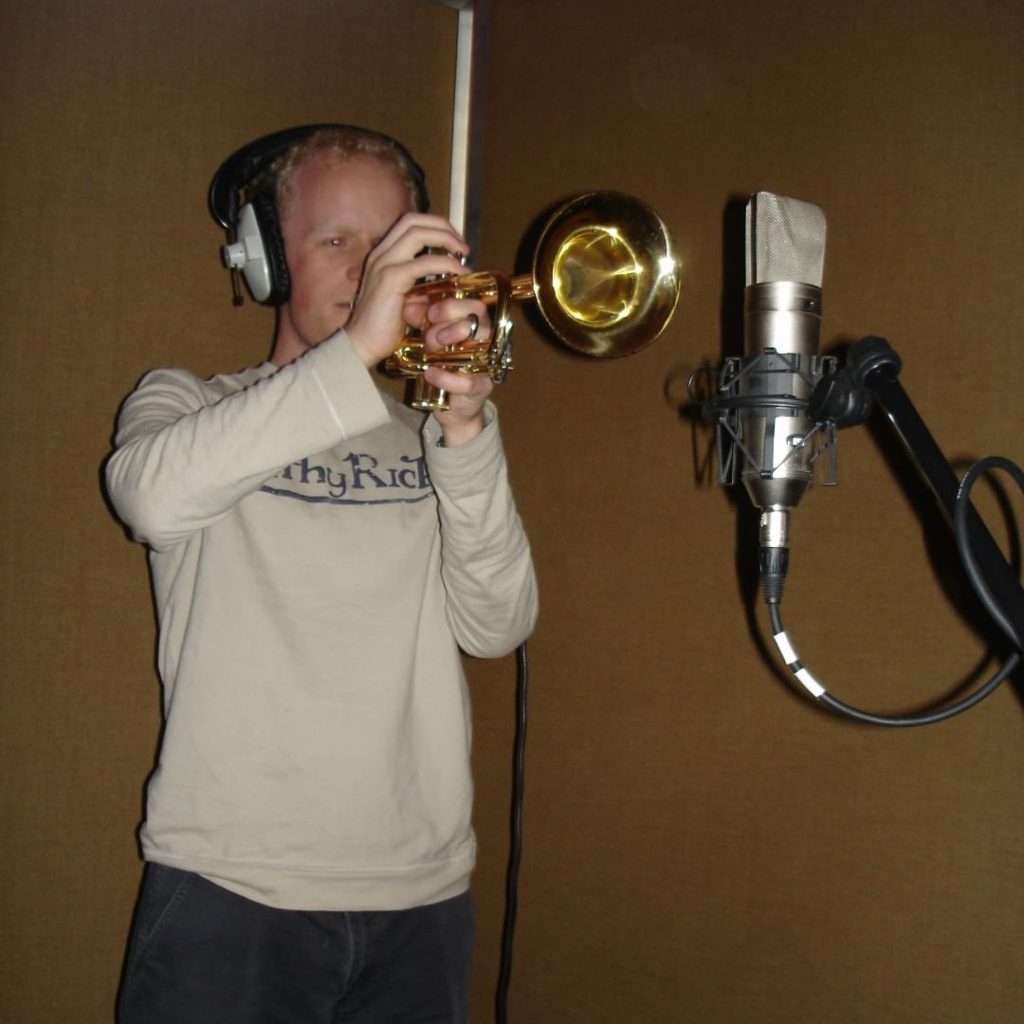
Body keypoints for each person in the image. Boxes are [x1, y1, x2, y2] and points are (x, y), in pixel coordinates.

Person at [106, 125, 538, 1023]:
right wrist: (354, 356)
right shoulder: (189, 405)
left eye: (389, 246)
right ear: (264, 260)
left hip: (421, 897)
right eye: (336, 242)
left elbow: (498, 626)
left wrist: (464, 430)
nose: (369, 271)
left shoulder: (432, 438)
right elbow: (148, 500)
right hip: (231, 891)